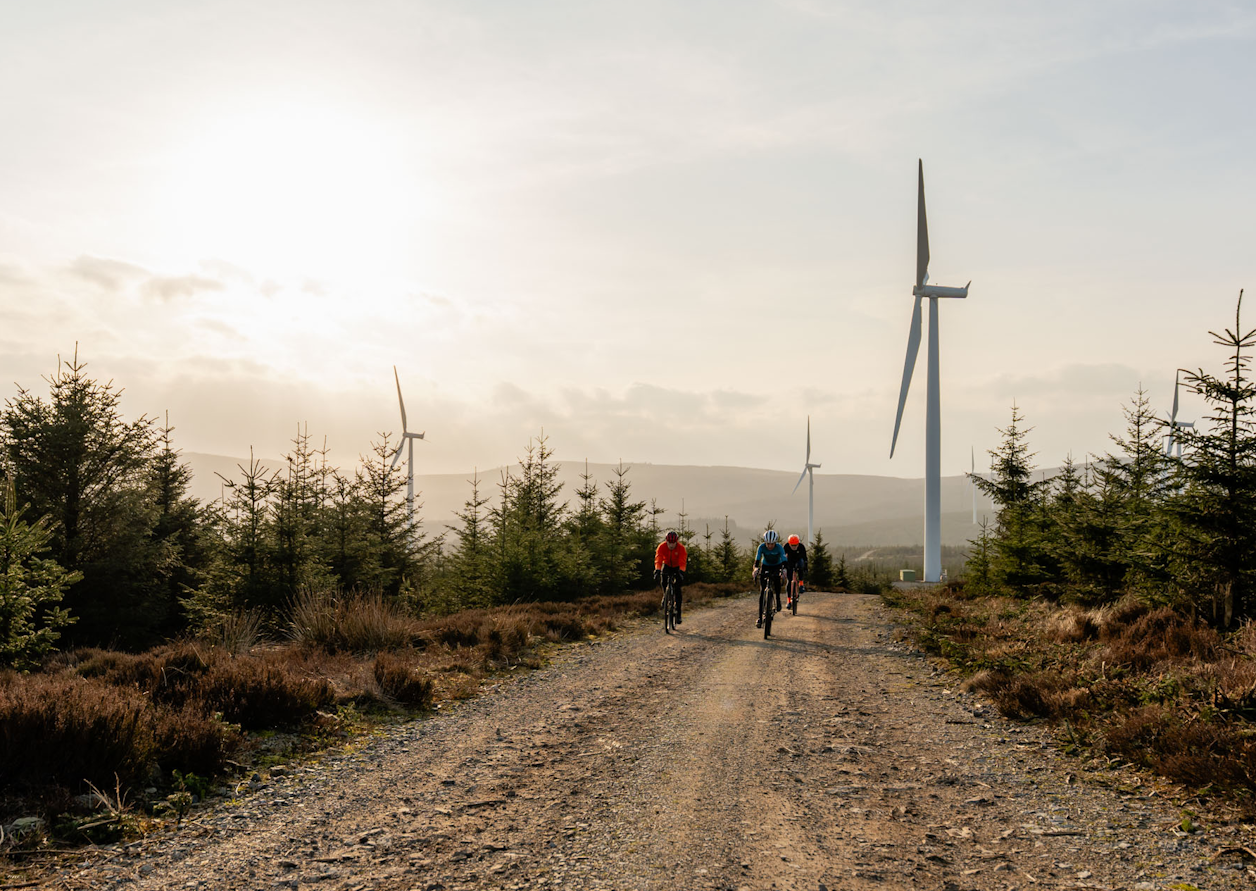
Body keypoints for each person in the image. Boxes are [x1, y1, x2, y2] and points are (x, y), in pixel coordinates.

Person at [752, 529, 789, 628]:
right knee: (762, 593)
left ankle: (777, 599)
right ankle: (760, 617)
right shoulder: (761, 547)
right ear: (765, 542)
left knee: (777, 583)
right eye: (768, 544)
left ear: (775, 542)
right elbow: (757, 559)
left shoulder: (779, 547)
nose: (770, 546)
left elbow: (784, 559)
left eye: (772, 544)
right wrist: (755, 569)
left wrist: (784, 569)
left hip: (777, 566)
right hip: (765, 566)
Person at [653, 530, 687, 624]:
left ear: (676, 541)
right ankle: (665, 595)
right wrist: (657, 570)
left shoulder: (681, 548)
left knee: (678, 589)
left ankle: (678, 613)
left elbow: (682, 561)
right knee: (663, 579)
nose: (671, 545)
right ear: (666, 541)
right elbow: (658, 559)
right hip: (667, 565)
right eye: (669, 543)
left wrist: (681, 572)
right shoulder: (662, 547)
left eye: (673, 543)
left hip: (677, 567)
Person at [784, 534, 808, 609]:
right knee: (789, 580)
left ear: (798, 544)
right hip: (789, 562)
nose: (794, 547)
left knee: (801, 565)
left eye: (795, 545)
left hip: (798, 561)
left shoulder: (801, 547)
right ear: (789, 544)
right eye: (792, 545)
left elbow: (805, 559)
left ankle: (801, 584)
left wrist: (805, 568)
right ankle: (788, 601)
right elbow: (782, 558)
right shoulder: (786, 547)